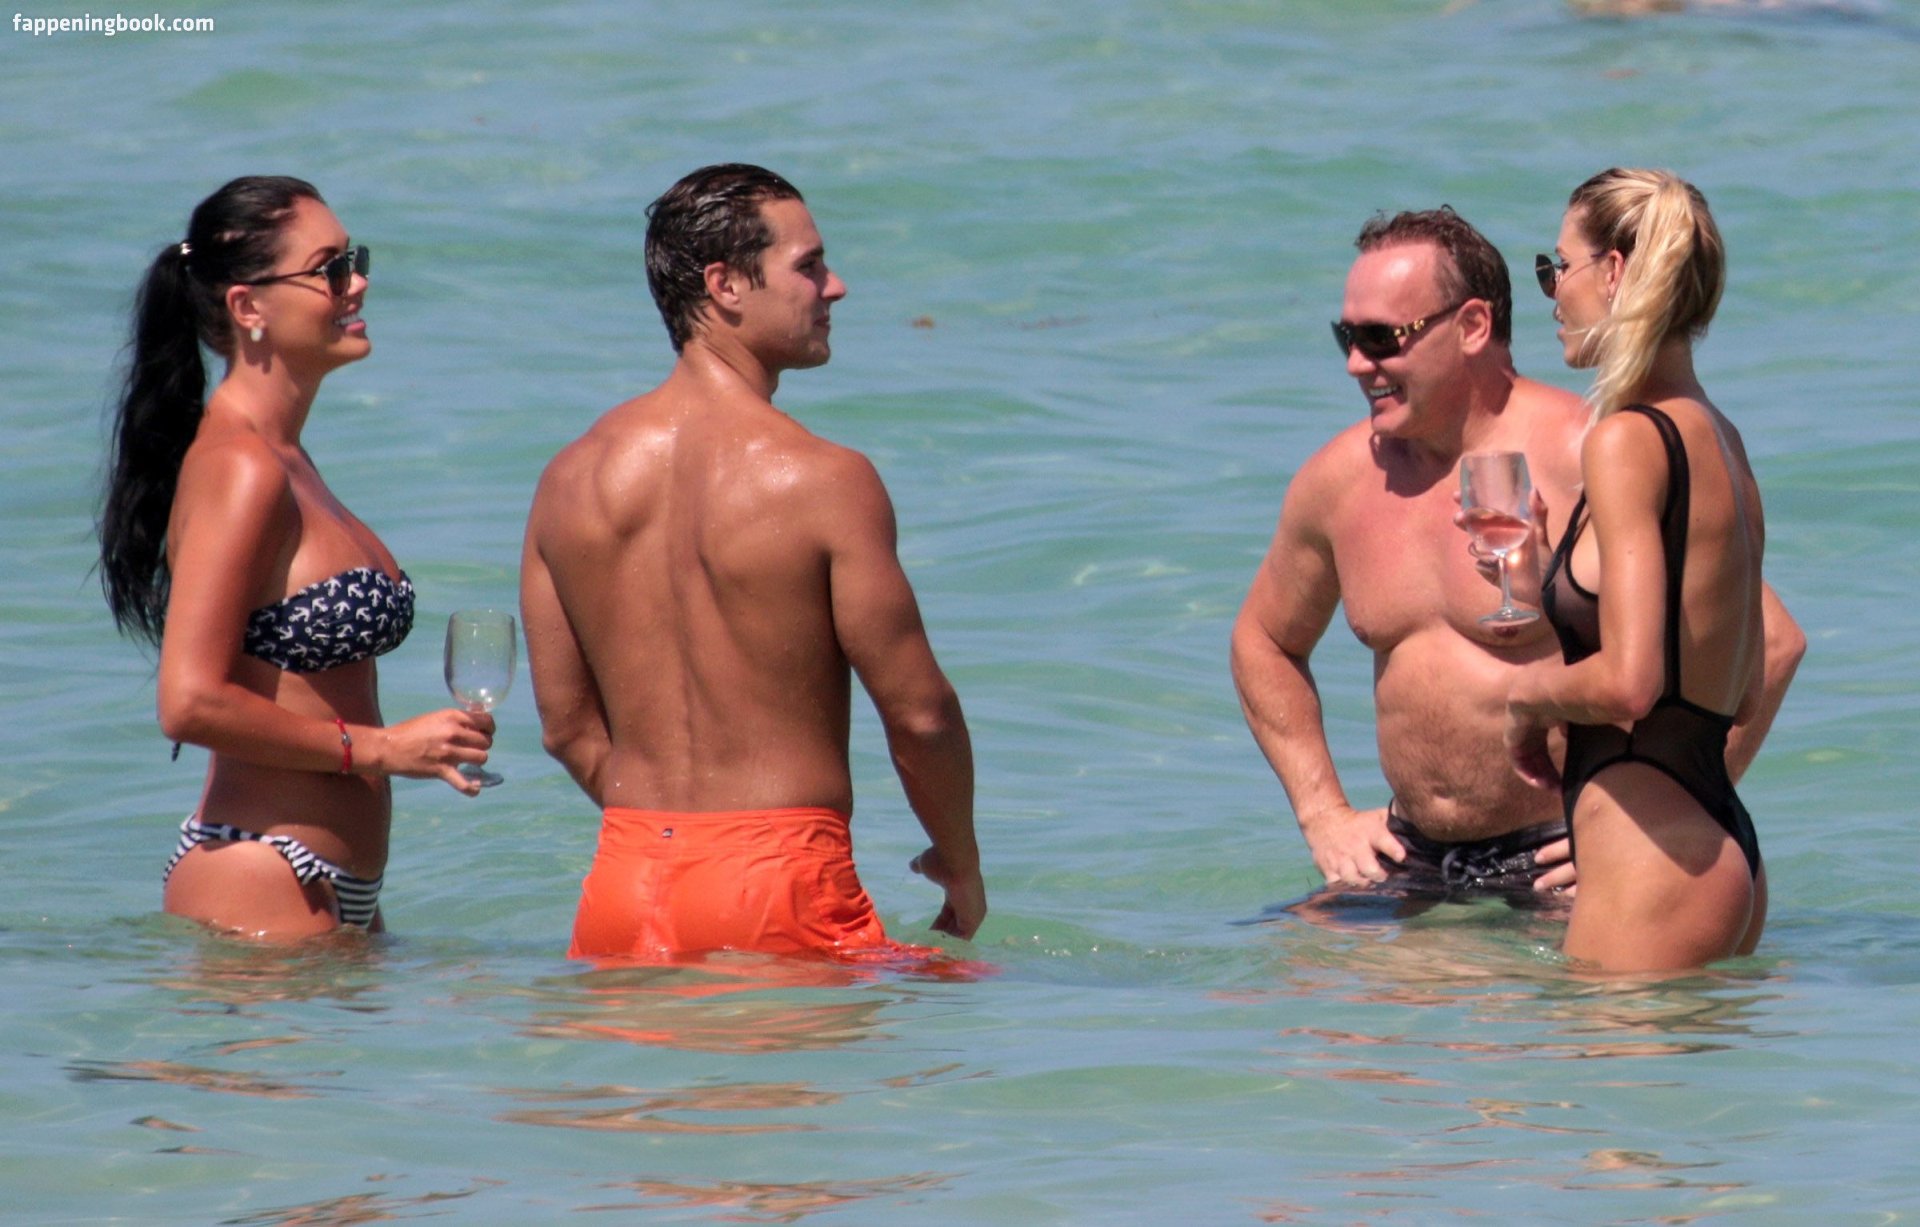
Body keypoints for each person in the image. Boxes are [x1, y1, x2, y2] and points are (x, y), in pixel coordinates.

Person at [1230, 206, 1803, 910]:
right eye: (1346, 337)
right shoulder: (1341, 481)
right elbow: (1264, 640)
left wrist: (1660, 807)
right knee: (1279, 968)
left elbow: (1771, 641)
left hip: (1561, 857)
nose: (1356, 363)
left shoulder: (1588, 451)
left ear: (1472, 326)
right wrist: (1324, 814)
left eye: (1381, 339)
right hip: (1406, 854)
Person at [521, 163, 984, 962]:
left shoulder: (568, 479)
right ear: (725, 285)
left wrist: (679, 845)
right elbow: (921, 714)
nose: (835, 287)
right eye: (809, 266)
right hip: (778, 879)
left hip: (626, 879)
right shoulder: (823, 478)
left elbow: (566, 728)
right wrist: (960, 863)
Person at [98, 176, 495, 939]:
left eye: (354, 260)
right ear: (248, 307)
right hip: (262, 869)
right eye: (328, 269)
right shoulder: (241, 468)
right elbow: (189, 701)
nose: (357, 283)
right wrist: (385, 748)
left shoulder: (286, 459)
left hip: (328, 882)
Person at [1505, 168, 1785, 970]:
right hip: (1717, 835)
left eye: (1557, 266)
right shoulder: (1722, 439)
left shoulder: (1626, 439)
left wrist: (1525, 702)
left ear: (1616, 271)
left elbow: (1631, 684)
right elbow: (1746, 684)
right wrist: (1541, 578)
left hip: (1653, 855)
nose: (1552, 294)